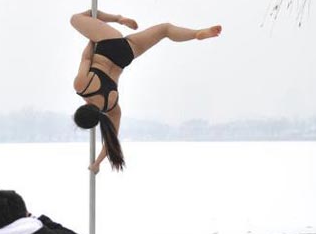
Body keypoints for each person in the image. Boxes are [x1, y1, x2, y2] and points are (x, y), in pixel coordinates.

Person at [71, 9, 221, 173]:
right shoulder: (81, 86)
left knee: (165, 29)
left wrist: (97, 163)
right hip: (108, 42)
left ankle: (196, 34)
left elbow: (111, 141)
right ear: (81, 108)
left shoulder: (112, 106)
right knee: (75, 19)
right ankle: (119, 18)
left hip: (125, 55)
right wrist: (92, 38)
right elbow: (86, 58)